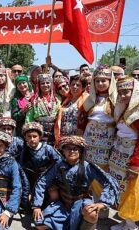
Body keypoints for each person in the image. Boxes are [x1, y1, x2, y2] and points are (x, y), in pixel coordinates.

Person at [32, 136, 119, 230]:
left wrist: (102, 203)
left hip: (81, 204)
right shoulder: (58, 165)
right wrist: (37, 206)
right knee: (39, 225)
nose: (72, 151)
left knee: (92, 213)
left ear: (80, 152)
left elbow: (109, 182)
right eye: (68, 148)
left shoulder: (87, 167)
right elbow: (42, 181)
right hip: (63, 205)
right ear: (63, 151)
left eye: (75, 149)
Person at [109, 76, 139, 229]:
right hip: (119, 154)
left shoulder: (138, 112)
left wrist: (135, 164)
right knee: (120, 189)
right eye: (120, 93)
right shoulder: (123, 109)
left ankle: (131, 225)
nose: (122, 96)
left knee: (130, 192)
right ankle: (125, 221)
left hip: (131, 157)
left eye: (126, 92)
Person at [19, 122, 62, 188]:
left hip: (48, 180)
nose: (32, 139)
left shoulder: (48, 149)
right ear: (25, 137)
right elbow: (21, 169)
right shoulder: (24, 151)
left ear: (40, 137)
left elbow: (60, 163)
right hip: (30, 182)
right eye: (29, 136)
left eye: (34, 136)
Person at [25, 74, 61, 145]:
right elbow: (29, 118)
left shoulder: (57, 98)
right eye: (42, 83)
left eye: (48, 83)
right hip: (39, 132)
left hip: (54, 131)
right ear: (39, 85)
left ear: (51, 84)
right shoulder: (34, 99)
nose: (45, 85)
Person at [54, 74, 88, 145]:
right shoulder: (67, 100)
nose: (75, 87)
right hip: (63, 139)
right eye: (73, 84)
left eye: (78, 85)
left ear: (83, 88)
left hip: (77, 139)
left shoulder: (86, 100)